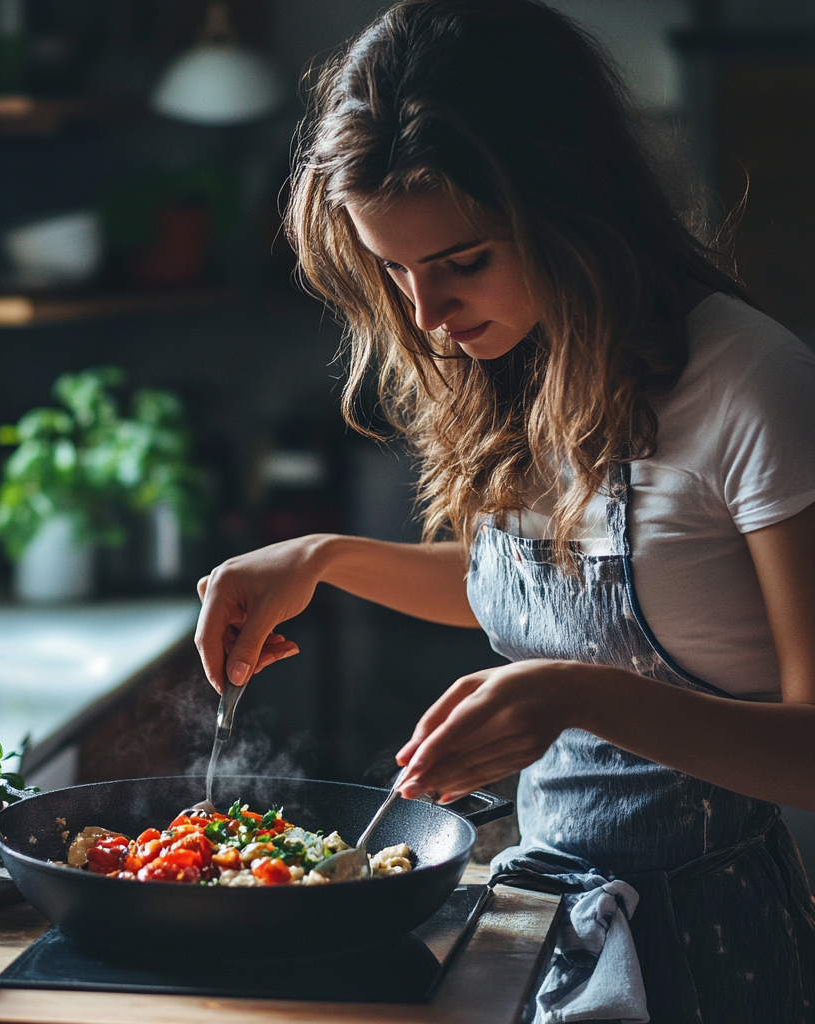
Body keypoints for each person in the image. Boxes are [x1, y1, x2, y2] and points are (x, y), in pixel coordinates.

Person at [194, 1, 815, 1020]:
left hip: (713, 955)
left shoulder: (756, 388)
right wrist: (322, 556)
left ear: (570, 205)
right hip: (547, 926)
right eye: (394, 271)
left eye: (462, 260)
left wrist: (577, 696)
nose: (428, 316)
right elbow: (542, 584)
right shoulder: (517, 362)